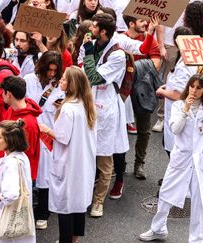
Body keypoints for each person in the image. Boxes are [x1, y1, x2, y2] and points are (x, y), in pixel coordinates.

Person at [139, 65, 203, 242]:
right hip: (181, 158)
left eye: (199, 88)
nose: (194, 90)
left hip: (201, 162)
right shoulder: (179, 105)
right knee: (166, 194)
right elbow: (175, 129)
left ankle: (196, 240)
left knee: (199, 204)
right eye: (192, 86)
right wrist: (186, 109)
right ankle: (158, 229)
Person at [38, 66, 96, 243]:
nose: (61, 81)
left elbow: (62, 137)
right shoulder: (86, 105)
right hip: (83, 162)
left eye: (64, 79)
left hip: (69, 163)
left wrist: (45, 128)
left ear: (71, 84)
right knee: (78, 204)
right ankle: (75, 239)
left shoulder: (68, 109)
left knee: (66, 206)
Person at [108, 15, 161, 198]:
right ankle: (116, 165)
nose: (145, 24)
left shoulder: (149, 39)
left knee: (144, 130)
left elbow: (156, 62)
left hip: (141, 89)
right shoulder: (120, 39)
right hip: (122, 91)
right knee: (116, 131)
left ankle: (139, 162)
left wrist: (133, 69)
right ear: (131, 23)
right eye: (141, 21)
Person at [83, 13, 129, 217]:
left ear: (103, 31)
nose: (90, 29)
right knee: (85, 156)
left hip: (106, 108)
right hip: (88, 104)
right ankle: (84, 196)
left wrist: (88, 52)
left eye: (94, 27)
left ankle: (98, 201)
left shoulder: (117, 55)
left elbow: (93, 77)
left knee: (103, 158)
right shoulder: (92, 44)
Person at [25, 51, 64, 230]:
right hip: (27, 133)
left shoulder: (60, 86)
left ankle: (43, 212)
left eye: (55, 71)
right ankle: (24, 209)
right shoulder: (28, 80)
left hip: (47, 135)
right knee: (26, 172)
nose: (51, 74)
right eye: (49, 70)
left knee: (46, 174)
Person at [0, 119, 35, 243]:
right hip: (20, 214)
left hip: (6, 215)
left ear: (10, 139)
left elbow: (11, 193)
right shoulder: (21, 157)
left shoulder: (11, 162)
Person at [0, 76, 42, 181]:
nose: (1, 94)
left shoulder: (29, 123)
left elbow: (26, 156)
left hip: (16, 178)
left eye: (2, 92)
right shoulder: (11, 110)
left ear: (9, 94)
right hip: (4, 172)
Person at [157, 26, 197, 156]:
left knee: (175, 149)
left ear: (175, 42)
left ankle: (176, 176)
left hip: (179, 111)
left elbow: (178, 95)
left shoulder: (184, 66)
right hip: (178, 110)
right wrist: (167, 86)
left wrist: (162, 92)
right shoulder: (185, 59)